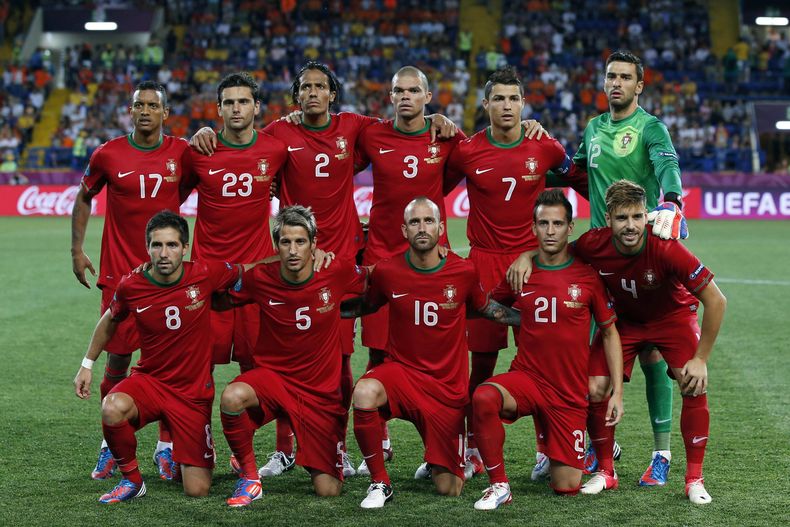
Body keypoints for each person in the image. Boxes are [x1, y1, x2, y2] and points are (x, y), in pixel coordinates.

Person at [191, 61, 457, 477]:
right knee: (284, 354)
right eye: (306, 87)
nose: (313, 93)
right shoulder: (278, 133)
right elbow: (244, 145)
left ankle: (339, 446)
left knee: (343, 358)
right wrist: (206, 131)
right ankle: (284, 449)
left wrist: (438, 118)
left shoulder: (356, 127)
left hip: (340, 258)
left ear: (332, 94)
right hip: (293, 258)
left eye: (320, 87)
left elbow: (404, 126)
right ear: (296, 97)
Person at [516, 51, 689, 483]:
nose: (615, 83)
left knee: (651, 355)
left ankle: (661, 454)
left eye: (625, 77)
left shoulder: (650, 128)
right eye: (610, 76)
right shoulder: (593, 129)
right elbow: (575, 174)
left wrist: (671, 201)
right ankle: (596, 446)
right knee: (583, 357)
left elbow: (668, 164)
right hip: (598, 261)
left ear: (639, 86)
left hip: (641, 252)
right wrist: (532, 156)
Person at [443, 66, 582, 477]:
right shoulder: (467, 151)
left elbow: (581, 179)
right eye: (498, 99)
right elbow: (430, 189)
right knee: (481, 363)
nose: (506, 106)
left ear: (524, 104)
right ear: (485, 105)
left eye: (513, 99)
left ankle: (547, 450)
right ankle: (468, 449)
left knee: (543, 361)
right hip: (484, 264)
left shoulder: (546, 147)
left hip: (534, 264)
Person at [343, 197, 519, 509]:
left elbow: (486, 309)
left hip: (446, 391)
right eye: (414, 222)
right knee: (365, 391)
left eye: (428, 221)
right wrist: (327, 310)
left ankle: (435, 458)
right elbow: (365, 306)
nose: (421, 228)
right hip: (402, 376)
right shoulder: (387, 271)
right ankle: (380, 482)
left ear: (441, 227)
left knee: (450, 488)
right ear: (404, 230)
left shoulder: (464, 271)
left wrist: (529, 318)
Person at [73, 211, 243, 503]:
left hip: (192, 394)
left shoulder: (205, 273)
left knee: (196, 489)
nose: (164, 253)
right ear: (147, 247)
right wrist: (87, 364)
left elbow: (247, 271)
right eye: (156, 245)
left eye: (172, 245)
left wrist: (302, 260)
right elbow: (111, 318)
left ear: (185, 248)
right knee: (112, 407)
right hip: (151, 382)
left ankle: (197, 446)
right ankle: (132, 481)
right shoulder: (132, 285)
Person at [572, 180, 725, 505]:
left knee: (693, 382)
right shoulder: (592, 244)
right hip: (624, 324)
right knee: (595, 387)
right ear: (608, 217)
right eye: (622, 218)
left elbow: (717, 301)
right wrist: (529, 258)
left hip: (672, 319)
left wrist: (701, 358)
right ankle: (606, 471)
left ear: (647, 216)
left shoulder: (666, 247)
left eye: (637, 217)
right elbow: (559, 257)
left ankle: (694, 479)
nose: (630, 226)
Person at [471, 189, 623, 510]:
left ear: (570, 227)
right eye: (543, 223)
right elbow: (490, 307)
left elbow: (609, 333)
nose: (550, 231)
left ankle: (576, 448)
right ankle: (499, 485)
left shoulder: (588, 277)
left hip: (568, 392)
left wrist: (618, 392)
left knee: (567, 487)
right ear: (533, 227)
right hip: (527, 379)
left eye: (557, 223)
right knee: (484, 396)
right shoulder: (520, 272)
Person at [71, 80, 189, 481]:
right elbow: (84, 195)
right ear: (130, 110)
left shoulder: (181, 152)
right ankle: (110, 445)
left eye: (153, 106)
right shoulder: (108, 153)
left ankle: (166, 448)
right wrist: (76, 249)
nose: (145, 111)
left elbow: (190, 187)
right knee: (118, 359)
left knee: (172, 365)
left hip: (168, 276)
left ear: (164, 113)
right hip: (120, 275)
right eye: (139, 105)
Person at [216, 205, 368, 506]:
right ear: (277, 246)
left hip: (319, 393)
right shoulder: (260, 277)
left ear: (314, 244)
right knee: (232, 397)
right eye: (285, 242)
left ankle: (312, 452)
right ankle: (249, 476)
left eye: (300, 241)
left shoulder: (335, 271)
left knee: (329, 490)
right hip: (274, 380)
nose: (293, 249)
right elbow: (219, 294)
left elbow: (376, 280)